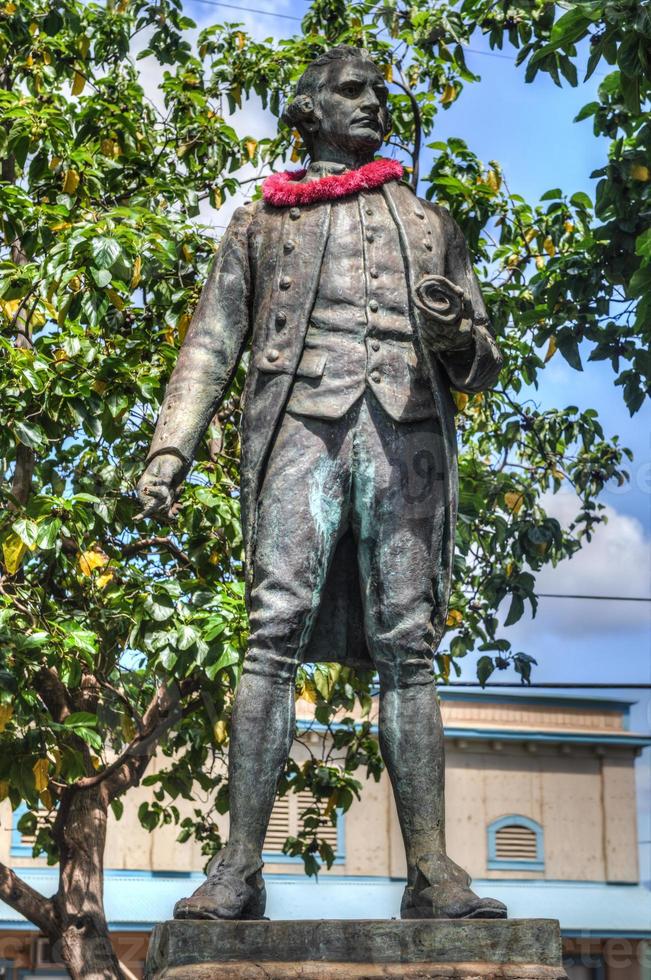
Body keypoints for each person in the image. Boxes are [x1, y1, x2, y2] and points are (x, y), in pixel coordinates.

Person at [137, 45, 506, 921]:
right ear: (306, 111)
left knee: (409, 649)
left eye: (380, 91)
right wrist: (169, 452)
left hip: (404, 441)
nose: (374, 103)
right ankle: (238, 869)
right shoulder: (261, 225)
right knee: (271, 634)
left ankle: (431, 873)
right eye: (352, 90)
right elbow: (210, 344)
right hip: (299, 430)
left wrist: (456, 335)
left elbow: (481, 367)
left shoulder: (431, 224)